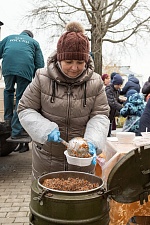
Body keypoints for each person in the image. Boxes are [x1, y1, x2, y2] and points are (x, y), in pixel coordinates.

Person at [17, 21, 110, 180]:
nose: (74, 68)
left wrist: (93, 141)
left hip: (81, 161)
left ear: (86, 61)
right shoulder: (42, 77)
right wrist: (44, 129)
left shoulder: (95, 82)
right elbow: (25, 109)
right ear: (60, 59)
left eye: (80, 62)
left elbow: (100, 115)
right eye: (69, 62)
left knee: (80, 202)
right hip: (47, 160)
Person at [0, 30, 44, 152]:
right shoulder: (34, 42)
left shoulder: (9, 38)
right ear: (30, 36)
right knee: (21, 98)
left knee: (8, 91)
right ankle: (16, 131)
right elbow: (39, 64)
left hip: (8, 68)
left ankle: (8, 119)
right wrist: (38, 80)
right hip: (25, 71)